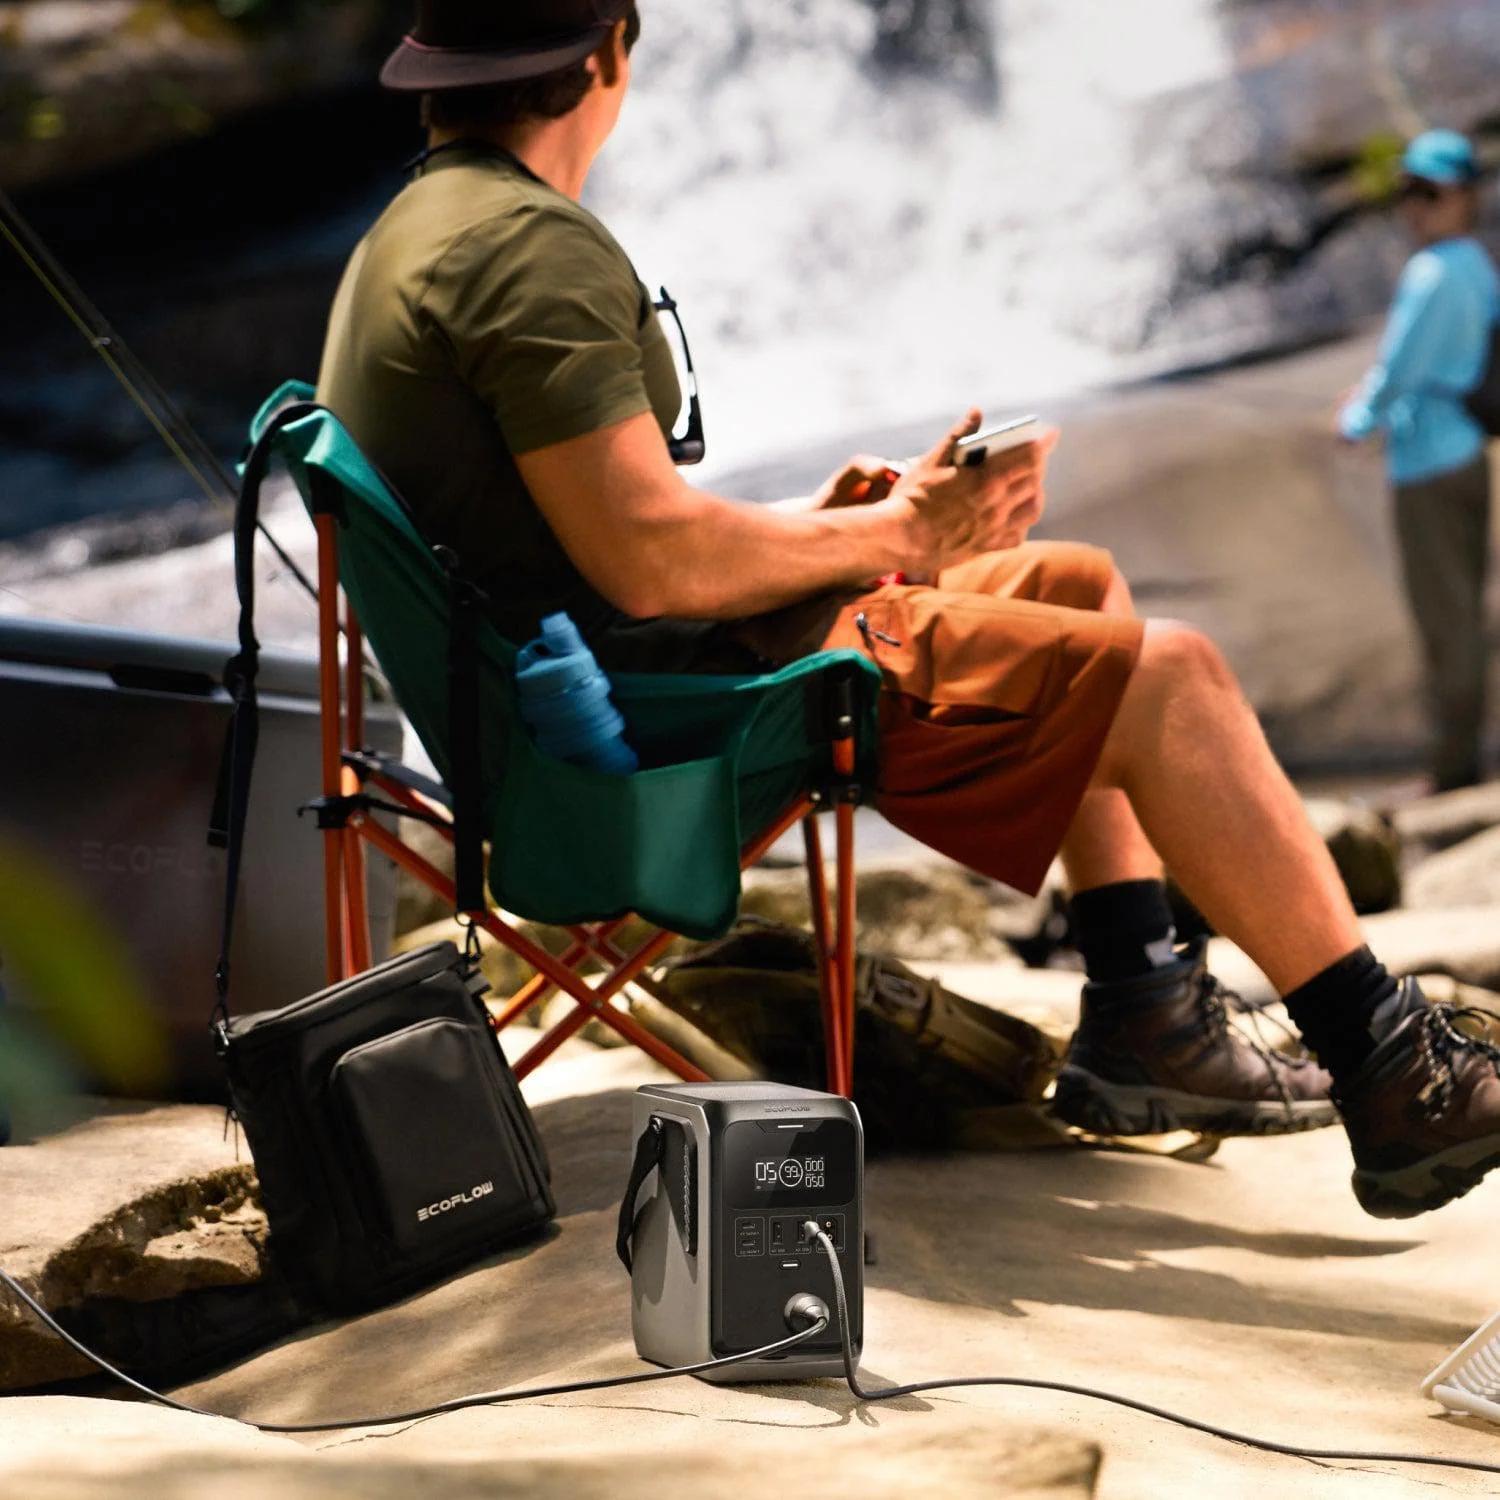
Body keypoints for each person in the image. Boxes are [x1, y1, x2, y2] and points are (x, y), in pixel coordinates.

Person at [319, 0, 1500, 1218]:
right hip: (658, 736)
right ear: (610, 51)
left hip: (590, 692)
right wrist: (900, 536)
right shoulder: (526, 249)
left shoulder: (420, 232)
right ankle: (1394, 1068)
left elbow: (592, 531)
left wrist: (825, 527)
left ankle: (1148, 1015)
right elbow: (651, 562)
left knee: (1075, 587)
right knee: (1170, 675)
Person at [1340, 129, 1499, 793]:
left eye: (1429, 192)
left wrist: (1355, 419)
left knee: (1446, 622)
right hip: (1468, 454)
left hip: (1428, 469)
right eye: (1407, 192)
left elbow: (1399, 367)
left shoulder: (1431, 272)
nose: (1415, 207)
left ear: (1463, 197)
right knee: (1461, 611)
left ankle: (1455, 770)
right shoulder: (1479, 267)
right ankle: (1459, 758)